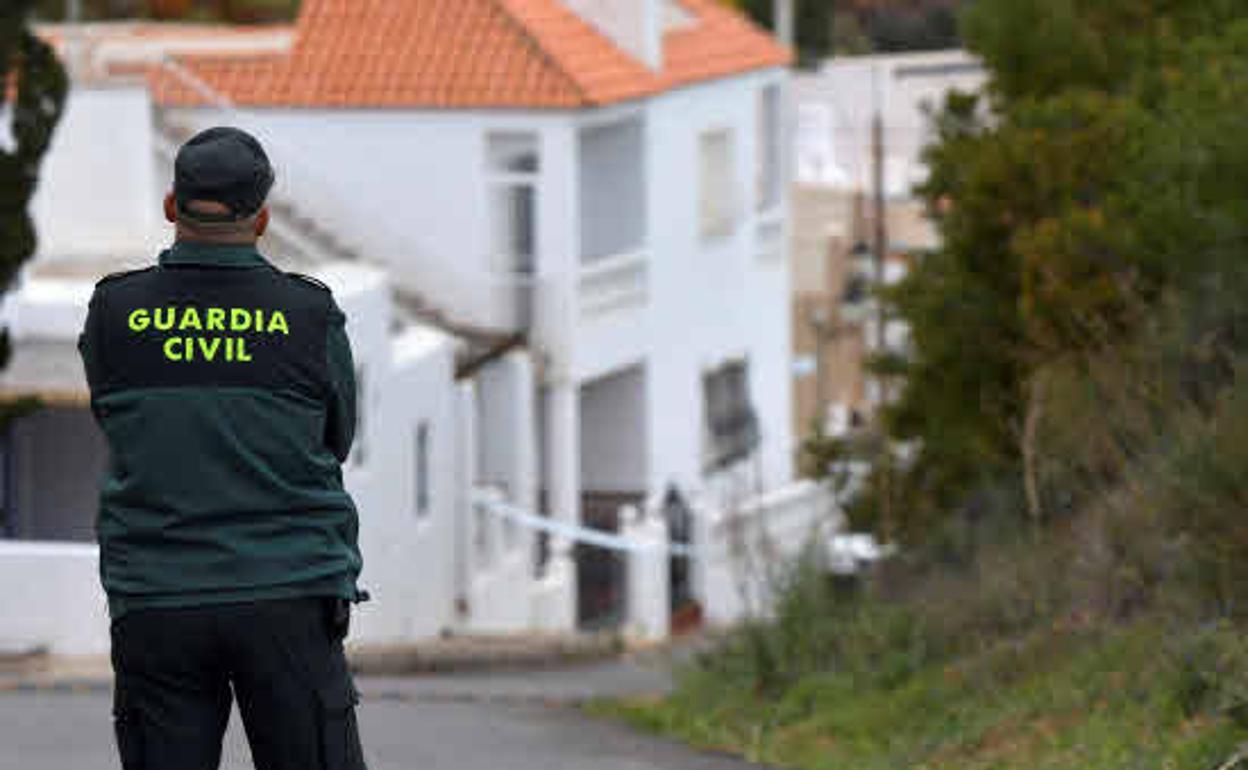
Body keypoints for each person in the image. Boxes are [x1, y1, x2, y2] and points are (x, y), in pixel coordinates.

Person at [77, 126, 369, 770]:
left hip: (156, 595)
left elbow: (115, 418)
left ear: (171, 207)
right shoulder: (309, 315)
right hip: (289, 589)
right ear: (261, 219)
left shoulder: (114, 310)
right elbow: (336, 440)